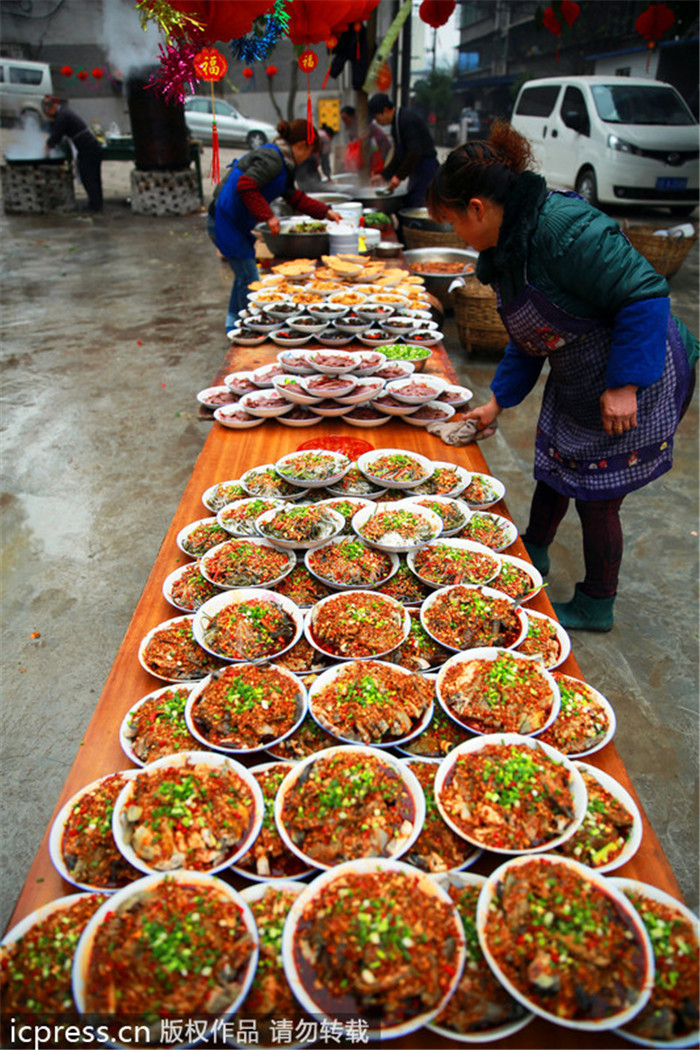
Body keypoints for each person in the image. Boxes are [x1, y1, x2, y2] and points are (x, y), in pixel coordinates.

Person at [426, 122, 697, 632]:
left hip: (638, 369)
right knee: (555, 466)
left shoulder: (564, 228)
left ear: (477, 209)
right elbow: (531, 337)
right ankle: (535, 552)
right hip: (579, 373)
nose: (454, 235)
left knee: (598, 495)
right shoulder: (507, 249)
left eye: (452, 222)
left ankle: (597, 602)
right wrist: (497, 403)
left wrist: (624, 386)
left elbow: (645, 293)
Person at [210, 119, 343, 330]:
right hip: (225, 219)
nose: (308, 158)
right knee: (249, 277)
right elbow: (246, 184)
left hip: (236, 222)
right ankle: (249, 327)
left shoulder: (285, 164)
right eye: (310, 152)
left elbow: (293, 197)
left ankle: (232, 324)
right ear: (302, 146)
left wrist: (324, 211)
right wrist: (268, 216)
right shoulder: (273, 158)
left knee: (243, 276)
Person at [367, 92, 438, 208]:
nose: (377, 121)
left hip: (426, 168)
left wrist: (399, 176)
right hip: (416, 169)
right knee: (410, 201)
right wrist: (384, 175)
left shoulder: (406, 120)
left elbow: (414, 152)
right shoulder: (397, 122)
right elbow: (399, 155)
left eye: (376, 117)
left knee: (418, 204)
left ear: (385, 110)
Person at [42, 94, 103, 212]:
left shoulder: (62, 116)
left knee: (90, 178)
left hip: (89, 149)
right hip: (88, 149)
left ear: (50, 108)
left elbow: (54, 137)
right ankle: (96, 204)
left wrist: (46, 152)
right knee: (91, 177)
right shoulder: (64, 113)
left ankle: (95, 206)